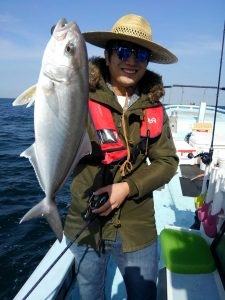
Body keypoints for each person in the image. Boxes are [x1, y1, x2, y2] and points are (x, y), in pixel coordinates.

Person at [64, 14, 179, 300]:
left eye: (140, 53)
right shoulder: (77, 94)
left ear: (148, 60)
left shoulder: (153, 107)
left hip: (137, 225)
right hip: (86, 221)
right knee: (90, 294)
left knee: (143, 295)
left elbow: (167, 162)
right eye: (123, 51)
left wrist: (127, 187)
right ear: (107, 54)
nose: (132, 60)